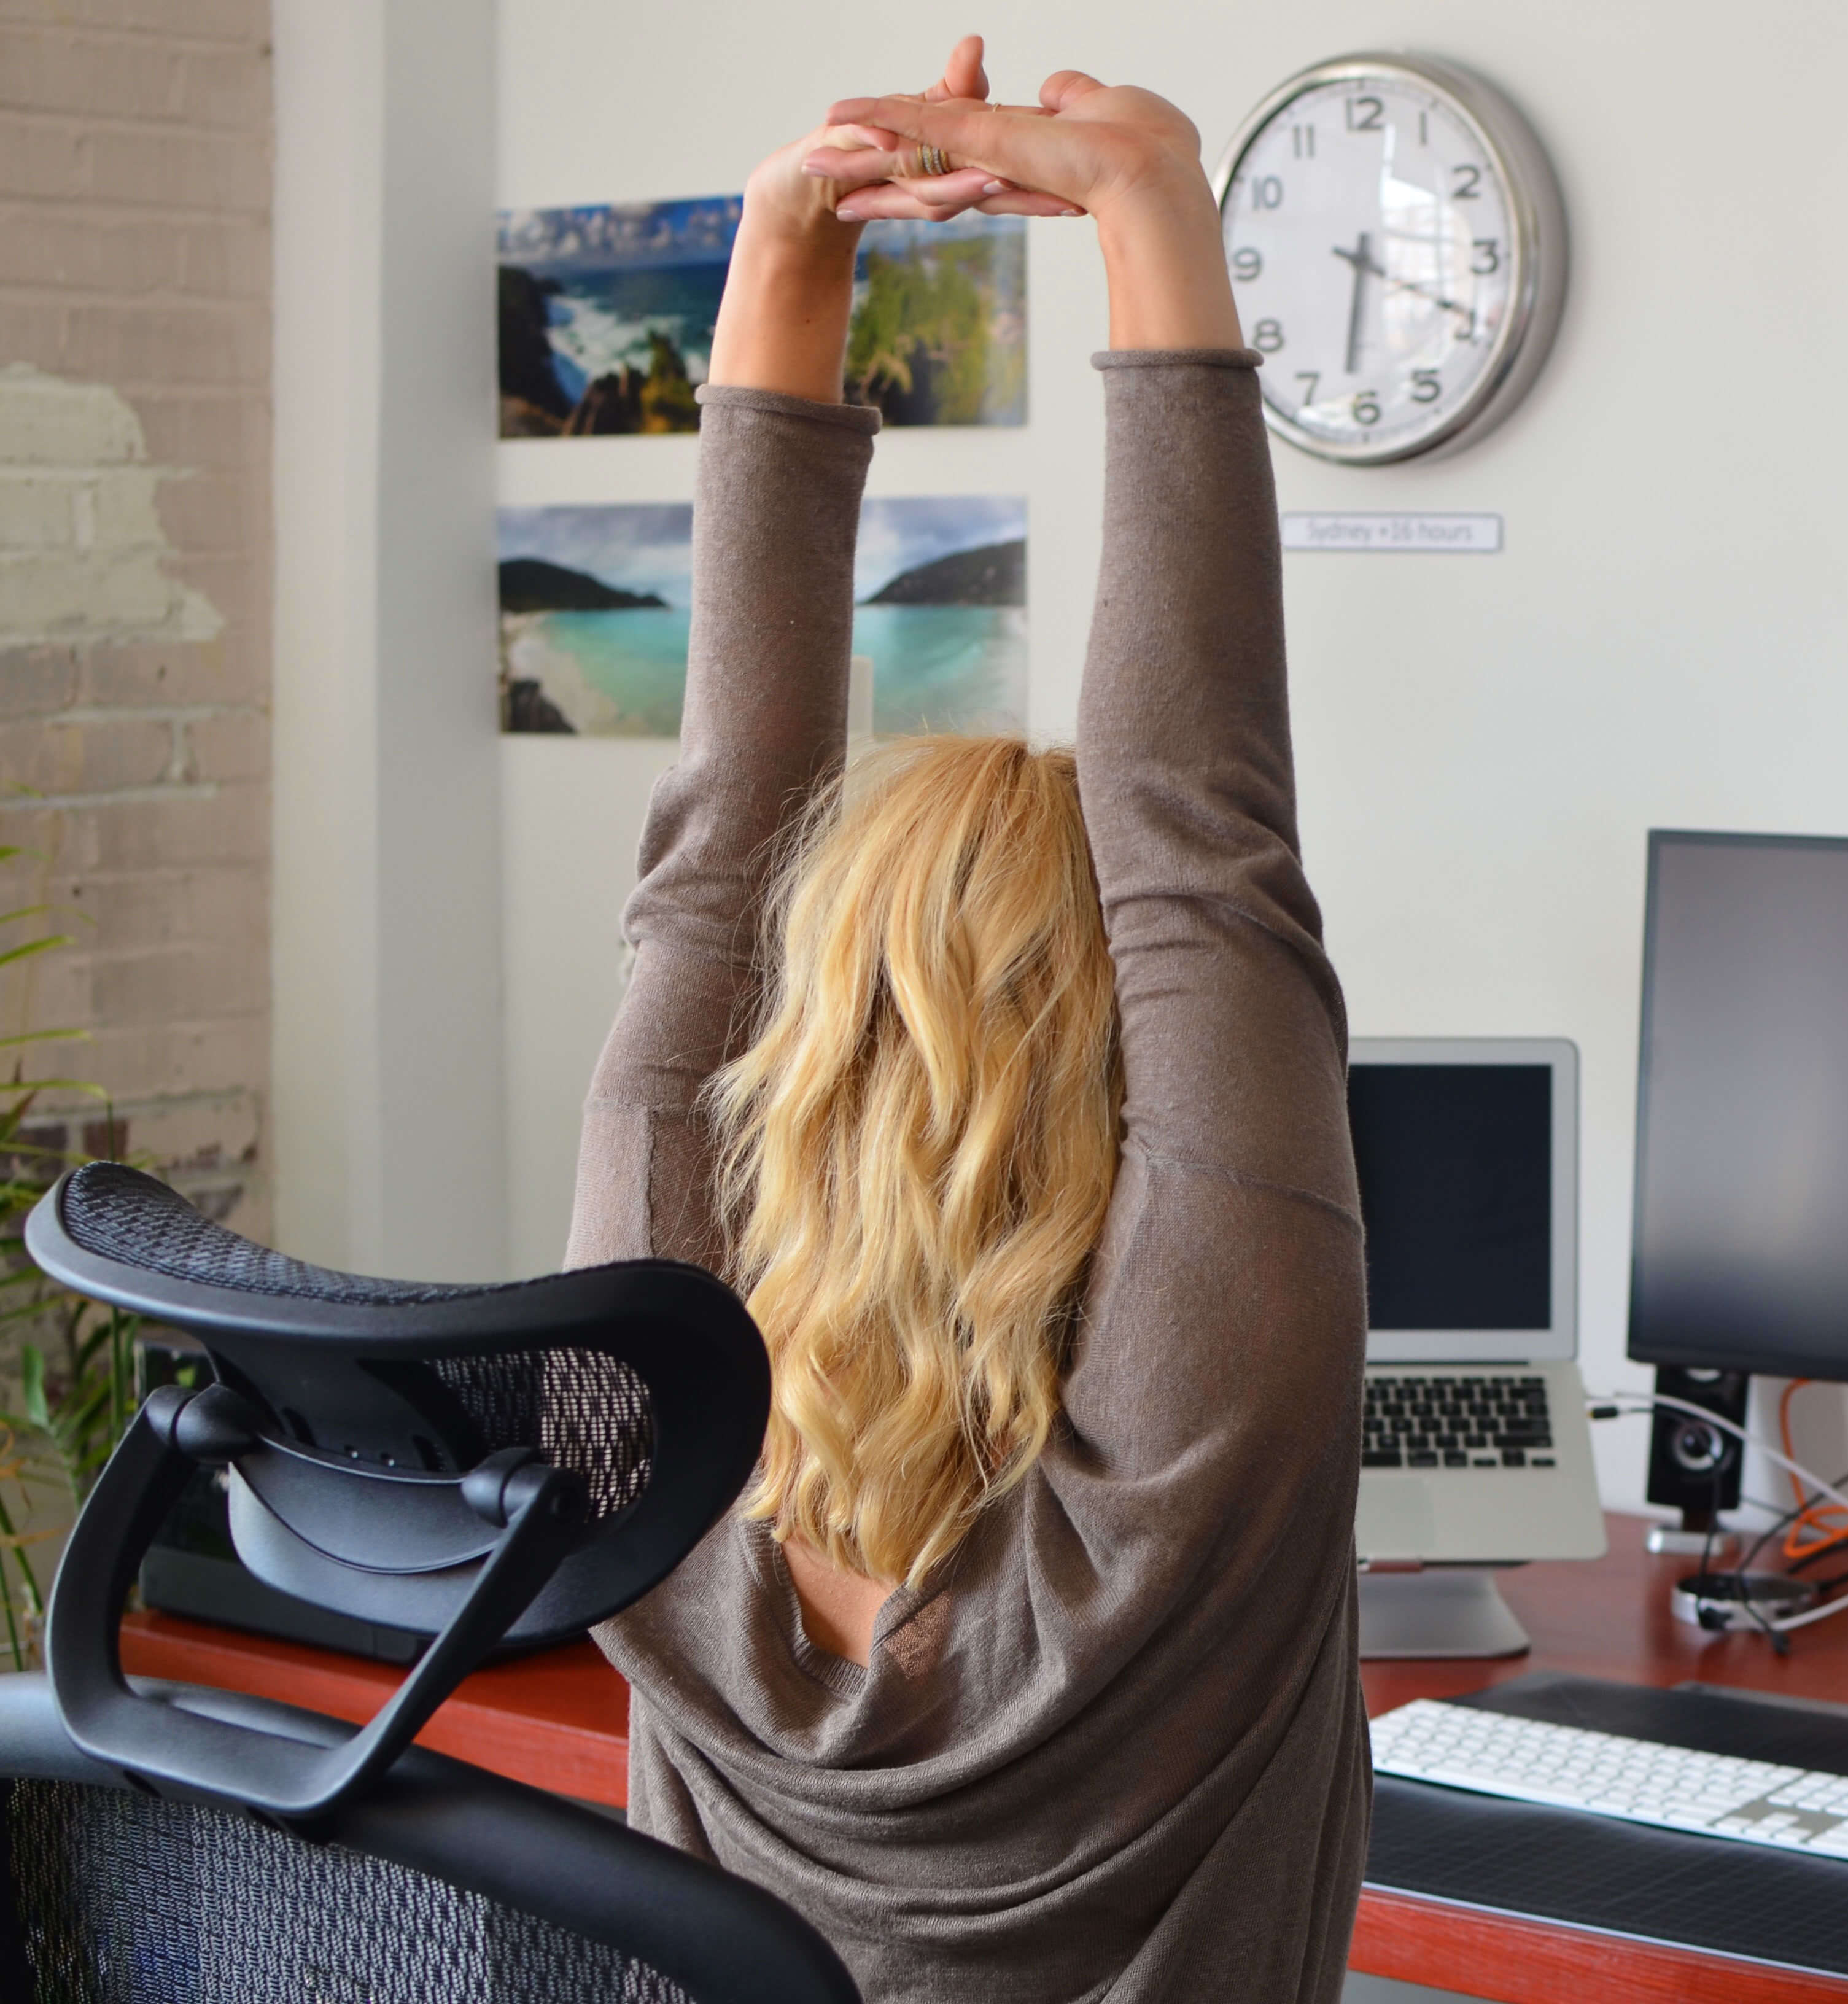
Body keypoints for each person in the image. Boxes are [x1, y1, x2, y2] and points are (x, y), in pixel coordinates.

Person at [564, 38, 1369, 2002]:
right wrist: (1151, 202)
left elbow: (716, 837)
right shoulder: (1191, 1463)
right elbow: (1198, 838)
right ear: (1133, 1053)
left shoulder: (639, 1455)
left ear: (810, 1014)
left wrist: (789, 254)